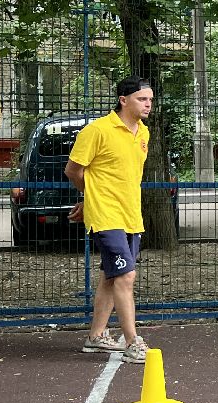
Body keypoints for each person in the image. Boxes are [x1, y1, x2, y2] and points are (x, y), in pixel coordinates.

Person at [66, 77, 154, 365]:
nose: (148, 104)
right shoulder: (97, 131)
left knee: (110, 276)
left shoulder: (143, 133)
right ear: (123, 99)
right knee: (126, 276)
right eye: (142, 99)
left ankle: (95, 337)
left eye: (150, 100)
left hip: (131, 215)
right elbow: (74, 170)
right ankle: (133, 342)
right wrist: (90, 198)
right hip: (106, 215)